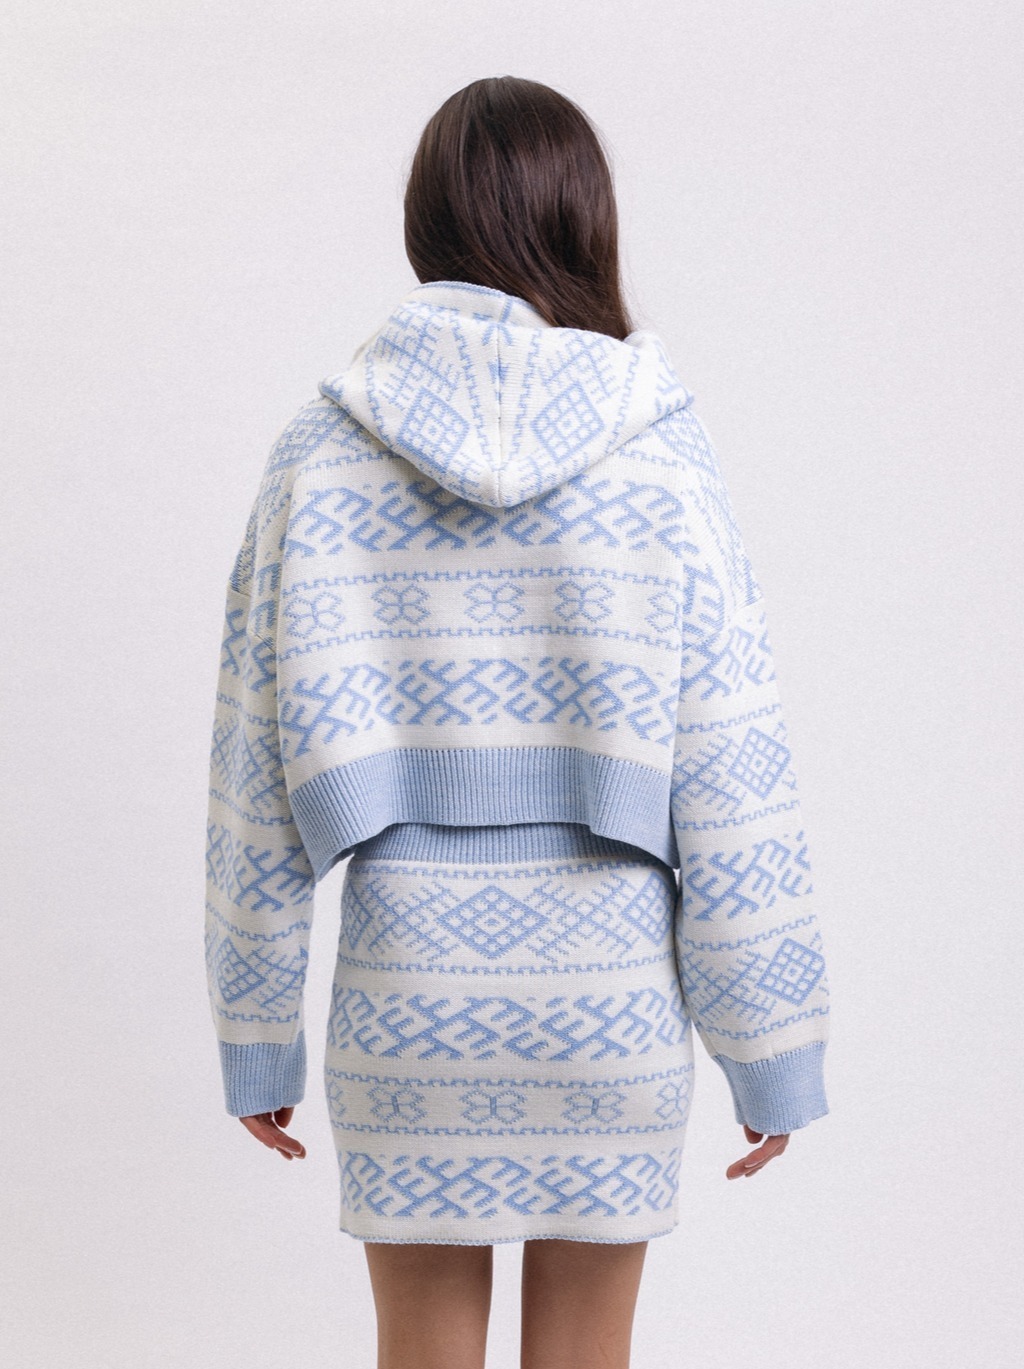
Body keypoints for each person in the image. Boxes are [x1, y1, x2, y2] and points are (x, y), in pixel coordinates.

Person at [204, 74, 831, 1369]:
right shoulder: (659, 453)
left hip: (408, 1005)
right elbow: (735, 774)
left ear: (425, 222)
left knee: (419, 1346)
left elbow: (252, 776)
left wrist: (257, 1030)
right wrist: (771, 1048)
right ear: (584, 219)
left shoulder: (322, 451)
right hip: (609, 1012)